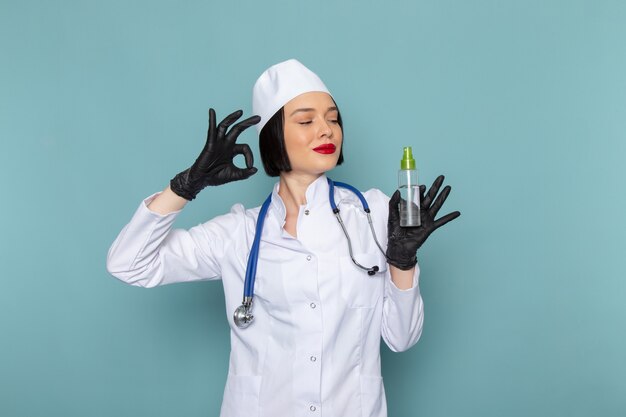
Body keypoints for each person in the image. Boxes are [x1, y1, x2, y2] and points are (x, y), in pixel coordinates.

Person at [106, 59, 460, 417]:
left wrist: (403, 262)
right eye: (306, 121)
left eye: (333, 119)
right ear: (274, 137)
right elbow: (129, 264)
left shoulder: (376, 215)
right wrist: (187, 185)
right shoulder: (238, 234)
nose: (326, 131)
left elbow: (402, 339)